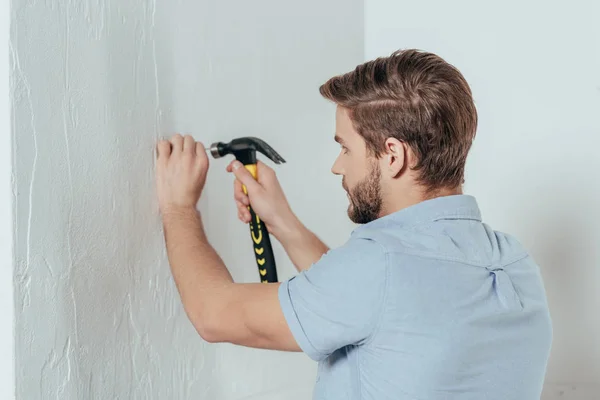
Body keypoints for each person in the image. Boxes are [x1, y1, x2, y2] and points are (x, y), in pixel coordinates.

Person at [155, 49, 553, 399]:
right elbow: (374, 305)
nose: (337, 165)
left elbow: (214, 314)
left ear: (393, 155)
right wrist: (283, 222)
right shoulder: (516, 266)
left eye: (345, 147)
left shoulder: (377, 267)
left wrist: (179, 207)